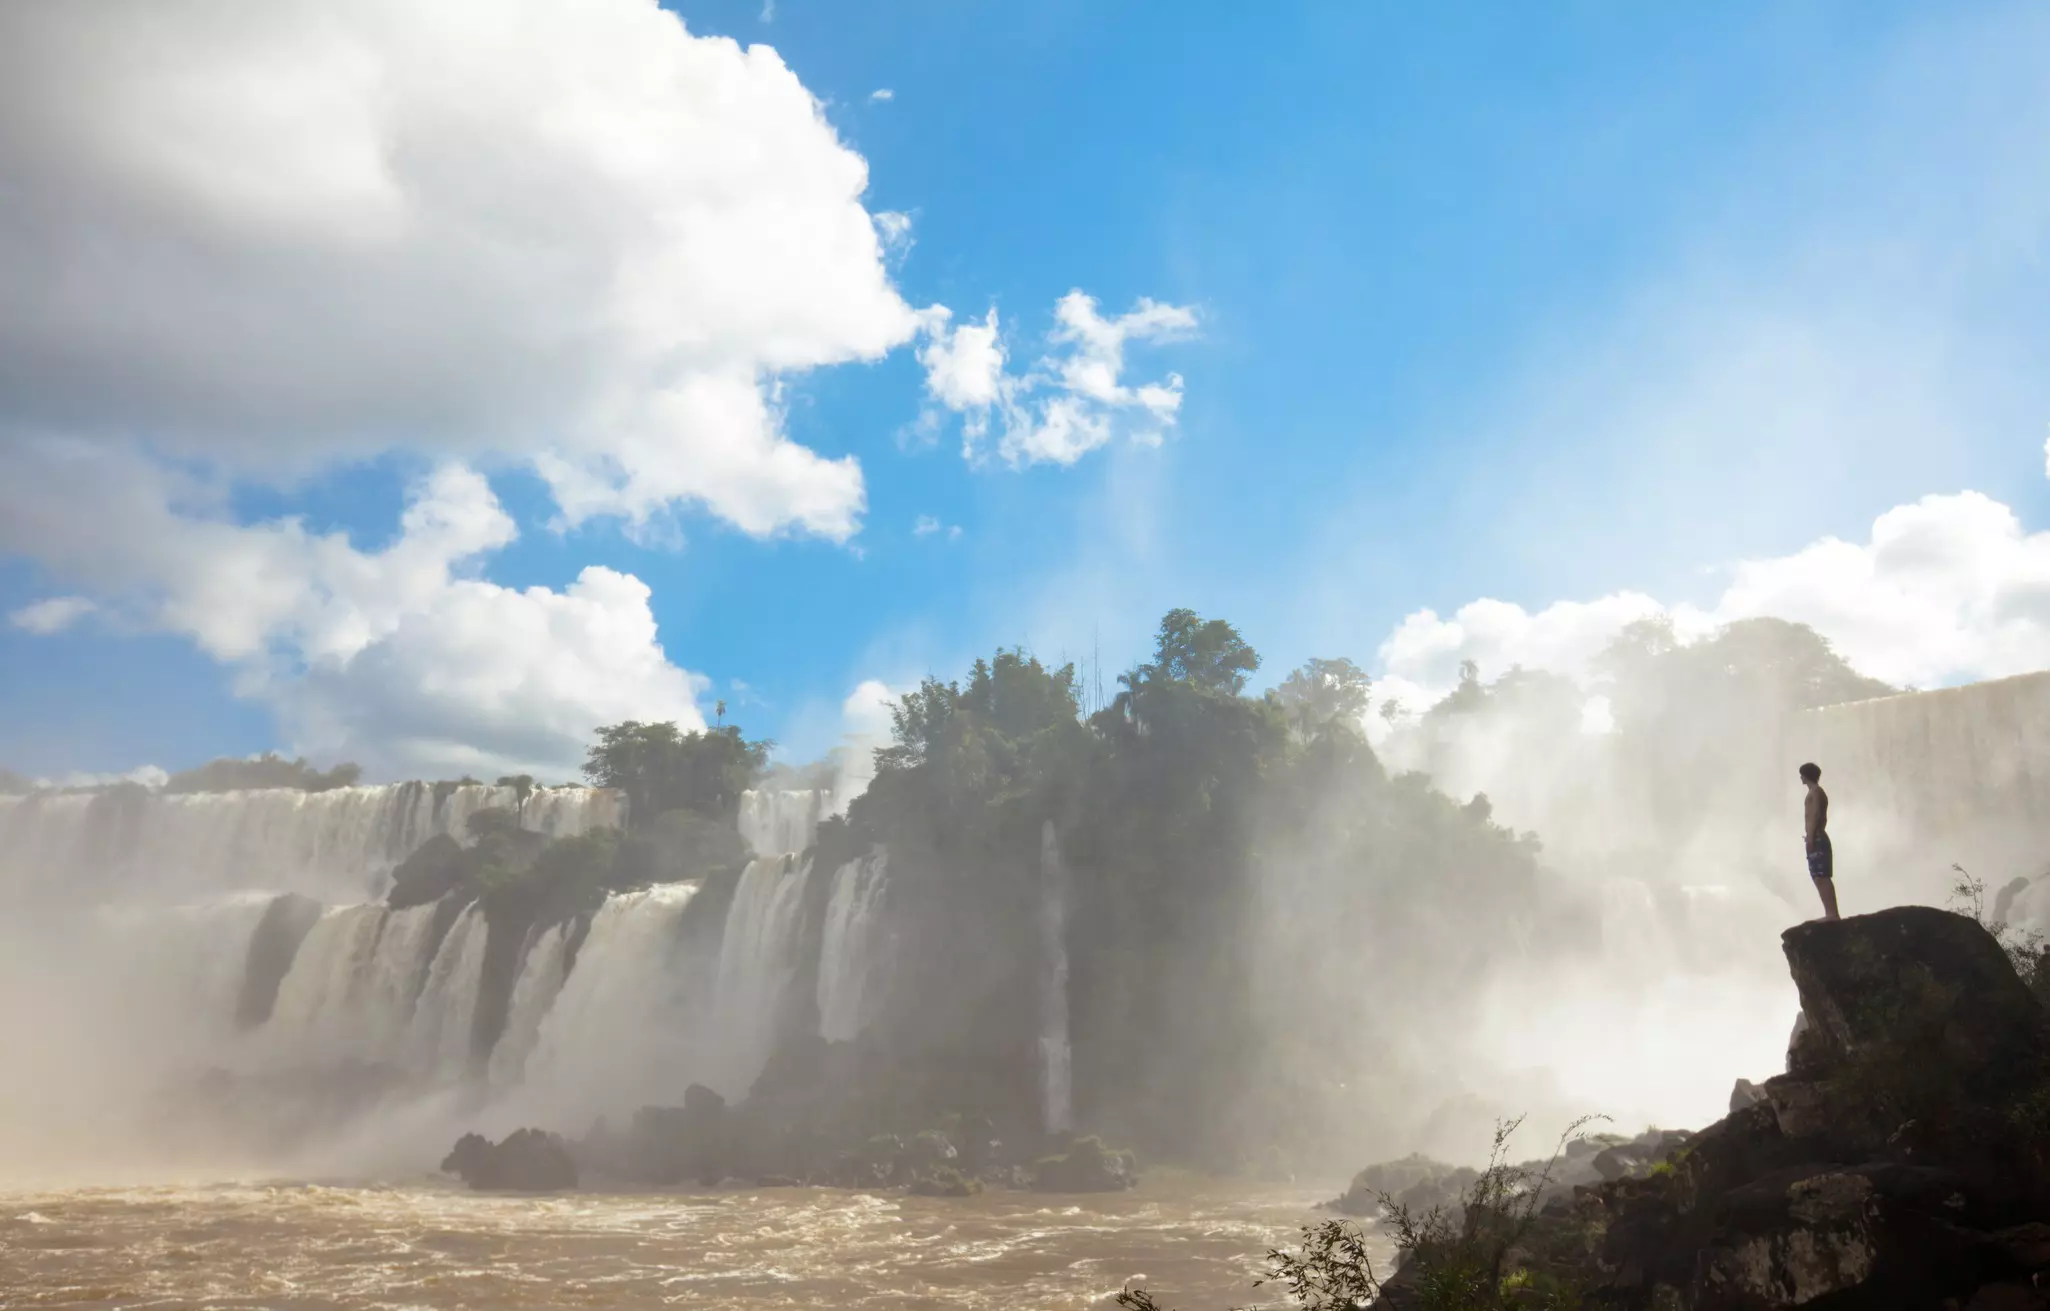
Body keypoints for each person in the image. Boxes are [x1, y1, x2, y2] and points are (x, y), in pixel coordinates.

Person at [1800, 762, 1839, 921]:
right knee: (1817, 876)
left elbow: (1816, 814)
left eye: (1802, 774)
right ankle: (1829, 912)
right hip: (1815, 836)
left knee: (1821, 876)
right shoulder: (1814, 792)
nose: (1800, 777)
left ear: (1806, 775)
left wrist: (1811, 836)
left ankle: (1832, 914)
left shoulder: (1816, 792)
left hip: (1817, 837)